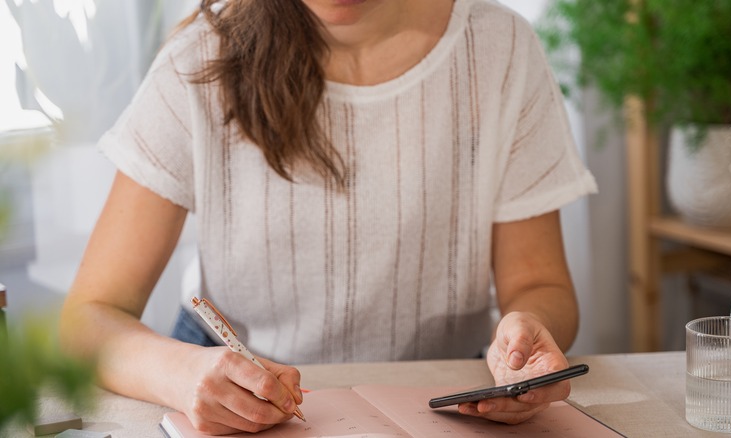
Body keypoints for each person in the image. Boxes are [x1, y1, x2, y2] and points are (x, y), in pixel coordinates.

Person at [59, 0, 597, 435]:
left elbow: (540, 283)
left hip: (443, 401)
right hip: (232, 393)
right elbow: (88, 319)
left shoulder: (501, 50)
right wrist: (180, 375)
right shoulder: (199, 60)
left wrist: (528, 338)